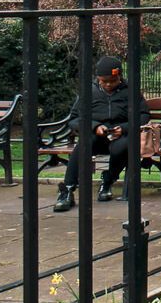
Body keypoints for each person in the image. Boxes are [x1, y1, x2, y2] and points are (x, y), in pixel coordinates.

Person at [53, 55, 151, 213]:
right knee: (83, 145)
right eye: (103, 81)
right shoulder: (89, 92)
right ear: (98, 78)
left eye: (112, 80)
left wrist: (124, 128)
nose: (108, 84)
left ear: (119, 76)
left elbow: (144, 115)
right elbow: (75, 119)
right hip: (96, 135)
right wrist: (95, 126)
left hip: (120, 135)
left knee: (123, 147)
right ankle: (67, 190)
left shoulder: (131, 91)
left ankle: (107, 181)